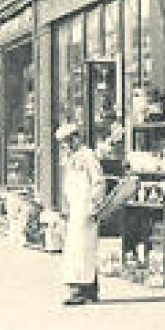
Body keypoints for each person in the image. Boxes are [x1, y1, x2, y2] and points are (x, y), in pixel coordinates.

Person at [57, 122, 107, 306]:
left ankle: (81, 290)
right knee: (75, 249)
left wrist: (94, 204)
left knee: (83, 250)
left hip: (86, 208)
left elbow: (98, 181)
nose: (66, 146)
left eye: (68, 141)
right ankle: (88, 289)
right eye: (64, 143)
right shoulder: (71, 158)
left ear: (76, 139)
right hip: (75, 208)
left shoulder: (87, 156)